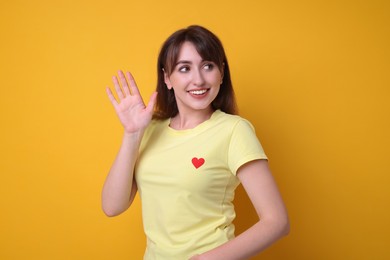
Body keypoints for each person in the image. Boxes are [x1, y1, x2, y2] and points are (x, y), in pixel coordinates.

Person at [102, 25, 289, 260]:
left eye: (208, 66)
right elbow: (112, 206)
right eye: (184, 68)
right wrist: (132, 134)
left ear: (221, 73)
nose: (198, 79)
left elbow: (277, 221)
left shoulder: (234, 131)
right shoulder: (149, 129)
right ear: (167, 78)